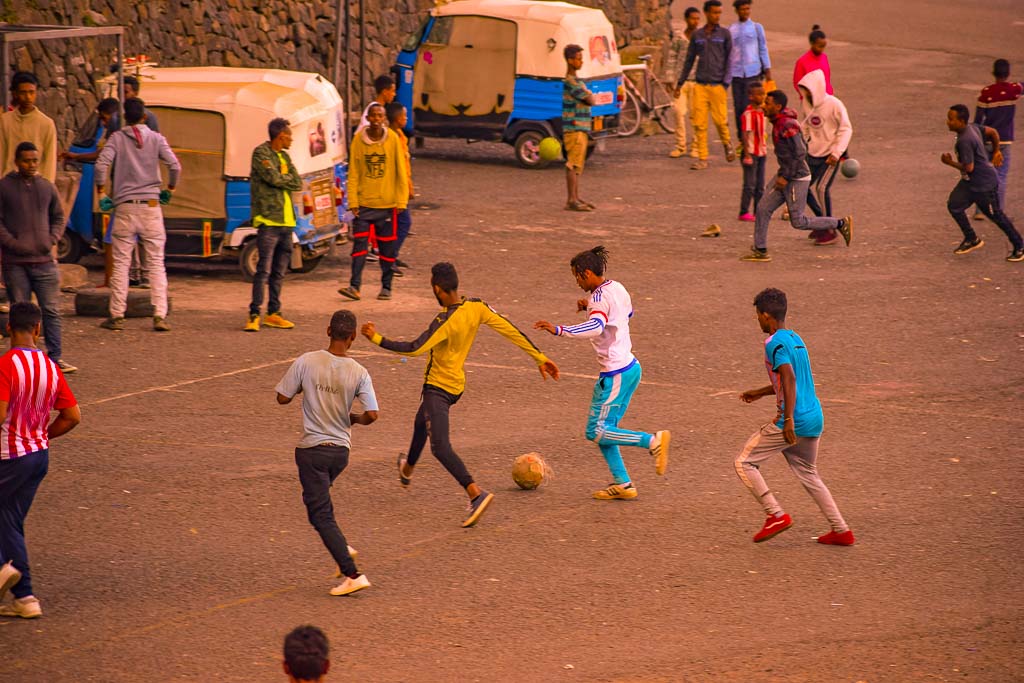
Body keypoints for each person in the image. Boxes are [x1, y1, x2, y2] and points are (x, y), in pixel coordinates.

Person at [360, 262, 559, 527]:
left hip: (438, 389)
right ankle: (407, 468)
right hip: (457, 386)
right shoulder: (476, 306)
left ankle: (475, 493)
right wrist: (539, 357)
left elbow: (413, 349)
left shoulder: (444, 321)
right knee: (421, 422)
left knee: (440, 446)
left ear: (437, 289)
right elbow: (509, 329)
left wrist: (376, 337)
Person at [534, 246, 670, 500]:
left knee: (596, 431)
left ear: (586, 273)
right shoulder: (617, 288)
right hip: (631, 367)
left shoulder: (598, 298)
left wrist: (559, 330)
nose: (576, 282)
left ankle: (652, 442)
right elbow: (624, 314)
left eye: (576, 276)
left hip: (615, 372)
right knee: (607, 430)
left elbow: (596, 327)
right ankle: (623, 484)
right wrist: (590, 306)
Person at [736, 288, 854, 546]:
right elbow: (791, 379)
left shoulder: (773, 343)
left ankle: (775, 514)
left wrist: (787, 419)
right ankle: (841, 530)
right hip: (814, 417)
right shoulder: (795, 338)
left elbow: (788, 377)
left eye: (757, 315)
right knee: (808, 473)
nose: (757, 320)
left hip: (795, 420)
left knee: (744, 463)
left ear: (766, 316)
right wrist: (760, 392)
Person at [276, 311, 378, 597]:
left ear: (327, 330)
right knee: (320, 507)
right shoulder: (359, 371)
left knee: (319, 514)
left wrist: (304, 389)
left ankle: (352, 573)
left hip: (313, 451)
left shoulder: (307, 361)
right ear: (353, 337)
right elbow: (372, 414)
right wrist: (353, 419)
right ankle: (340, 545)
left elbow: (282, 397)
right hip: (340, 453)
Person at [0, 302, 81, 619]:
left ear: (8, 330)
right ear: (37, 329)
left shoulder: (6, 365)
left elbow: (1, 413)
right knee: (9, 521)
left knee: (7, 519)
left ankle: (4, 570)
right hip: (38, 455)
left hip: (9, 455)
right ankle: (25, 598)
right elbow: (72, 416)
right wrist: (42, 435)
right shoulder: (50, 366)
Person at [95, 98, 180, 332]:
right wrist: (169, 190)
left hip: (124, 207)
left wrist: (102, 192)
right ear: (144, 117)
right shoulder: (156, 138)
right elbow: (175, 166)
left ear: (125, 117)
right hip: (151, 206)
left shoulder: (116, 139)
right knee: (155, 263)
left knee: (122, 263)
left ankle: (116, 315)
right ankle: (159, 315)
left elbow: (101, 165)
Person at [741, 90, 852, 262]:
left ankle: (840, 223)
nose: (764, 105)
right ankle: (760, 250)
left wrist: (786, 176)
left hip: (796, 178)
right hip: (786, 173)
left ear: (778, 107)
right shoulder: (779, 122)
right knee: (763, 208)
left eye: (767, 103)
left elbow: (800, 153)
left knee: (798, 221)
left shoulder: (787, 125)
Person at [0, 143, 75, 373]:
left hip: (44, 261)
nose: (31, 165)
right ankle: (21, 362)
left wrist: (51, 239)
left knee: (50, 310)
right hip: (15, 263)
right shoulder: (4, 187)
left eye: (35, 160)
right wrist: (13, 243)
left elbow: (58, 217)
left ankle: (55, 359)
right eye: (26, 160)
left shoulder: (47, 187)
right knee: (20, 313)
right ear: (16, 161)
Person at [338, 103, 408, 302]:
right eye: (373, 116)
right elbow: (354, 173)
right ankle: (354, 286)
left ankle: (386, 287)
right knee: (359, 247)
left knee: (387, 250)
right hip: (364, 205)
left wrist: (401, 200)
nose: (376, 119)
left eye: (380, 116)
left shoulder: (392, 139)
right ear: (368, 118)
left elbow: (400, 171)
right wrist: (352, 201)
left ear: (384, 119)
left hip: (387, 205)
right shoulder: (359, 140)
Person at [942, 104, 1023, 261]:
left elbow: (969, 167)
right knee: (954, 205)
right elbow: (992, 132)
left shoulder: (965, 140)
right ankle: (972, 238)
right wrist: (997, 150)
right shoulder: (973, 127)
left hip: (984, 186)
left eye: (951, 119)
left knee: (996, 216)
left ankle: (1019, 245)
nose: (947, 122)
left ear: (961, 121)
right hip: (969, 183)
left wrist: (949, 162)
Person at [245, 118, 303, 332]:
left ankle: (273, 313)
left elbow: (297, 182)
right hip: (269, 221)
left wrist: (283, 177)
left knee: (279, 272)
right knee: (263, 271)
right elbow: (273, 179)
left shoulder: (285, 156)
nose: (292, 139)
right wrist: (284, 177)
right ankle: (253, 314)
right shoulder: (261, 154)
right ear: (281, 136)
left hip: (287, 222)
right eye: (289, 135)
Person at [675, 0, 735, 170]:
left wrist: (725, 82)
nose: (717, 16)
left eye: (719, 13)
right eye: (714, 13)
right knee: (699, 123)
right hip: (699, 84)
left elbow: (730, 59)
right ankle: (703, 157)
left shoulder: (724, 34)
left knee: (720, 120)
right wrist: (680, 82)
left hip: (718, 85)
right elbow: (689, 60)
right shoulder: (698, 35)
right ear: (707, 13)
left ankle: (727, 143)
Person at [797, 69, 853, 245]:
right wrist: (803, 143)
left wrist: (837, 153)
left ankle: (830, 231)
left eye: (809, 90)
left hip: (830, 155)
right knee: (803, 188)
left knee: (821, 188)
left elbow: (846, 129)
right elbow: (805, 126)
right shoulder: (806, 104)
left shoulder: (834, 104)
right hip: (812, 152)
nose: (806, 94)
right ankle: (821, 223)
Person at [974, 59, 1021, 212]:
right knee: (1000, 176)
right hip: (1005, 140)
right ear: (1008, 74)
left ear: (993, 73)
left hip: (988, 140)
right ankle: (998, 210)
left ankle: (980, 210)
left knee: (983, 173)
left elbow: (978, 120)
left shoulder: (986, 92)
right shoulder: (1012, 90)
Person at [0, 72, 58, 183]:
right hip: (7, 184)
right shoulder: (5, 121)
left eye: (32, 92)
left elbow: (50, 161)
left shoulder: (46, 124)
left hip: (35, 185)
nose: (28, 97)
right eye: (23, 92)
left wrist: (46, 189)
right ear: (15, 94)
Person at [728, 0, 772, 142]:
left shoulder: (756, 28)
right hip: (737, 74)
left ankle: (758, 135)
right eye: (742, 9)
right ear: (737, 11)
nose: (745, 12)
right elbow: (729, 53)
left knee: (755, 105)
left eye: (747, 9)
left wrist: (767, 69)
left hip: (753, 73)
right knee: (739, 107)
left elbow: (763, 48)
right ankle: (742, 138)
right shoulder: (731, 29)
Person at [664, 6, 701, 158]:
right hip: (681, 82)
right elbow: (672, 57)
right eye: (693, 18)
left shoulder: (701, 37)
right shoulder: (679, 38)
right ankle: (680, 146)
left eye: (698, 18)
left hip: (697, 82)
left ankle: (696, 146)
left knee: (696, 115)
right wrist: (670, 78)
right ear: (686, 19)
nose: (696, 21)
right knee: (679, 113)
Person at [562, 44, 595, 211]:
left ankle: (575, 197)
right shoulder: (571, 83)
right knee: (572, 164)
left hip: (580, 128)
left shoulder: (577, 82)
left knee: (578, 165)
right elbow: (591, 100)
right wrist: (589, 94)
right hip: (574, 128)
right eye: (579, 59)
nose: (581, 61)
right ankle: (571, 200)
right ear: (570, 60)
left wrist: (588, 93)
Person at [386, 101, 414, 273]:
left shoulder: (399, 136)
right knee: (403, 223)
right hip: (395, 188)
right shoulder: (392, 138)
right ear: (397, 118)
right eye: (404, 115)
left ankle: (392, 256)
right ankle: (389, 258)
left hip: (402, 187)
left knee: (399, 224)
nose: (406, 118)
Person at [738, 82, 768, 222]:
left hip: (762, 152)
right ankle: (744, 211)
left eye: (763, 94)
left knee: (760, 185)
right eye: (759, 94)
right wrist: (747, 154)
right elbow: (745, 133)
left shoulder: (763, 112)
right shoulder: (748, 114)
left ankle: (758, 211)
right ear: (751, 96)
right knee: (749, 184)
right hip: (751, 152)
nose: (762, 97)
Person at [793, 26, 833, 100]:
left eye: (824, 46)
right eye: (820, 46)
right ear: (812, 43)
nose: (822, 49)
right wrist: (807, 95)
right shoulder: (802, 61)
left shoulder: (824, 57)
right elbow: (797, 83)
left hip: (826, 97)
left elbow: (827, 79)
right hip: (810, 100)